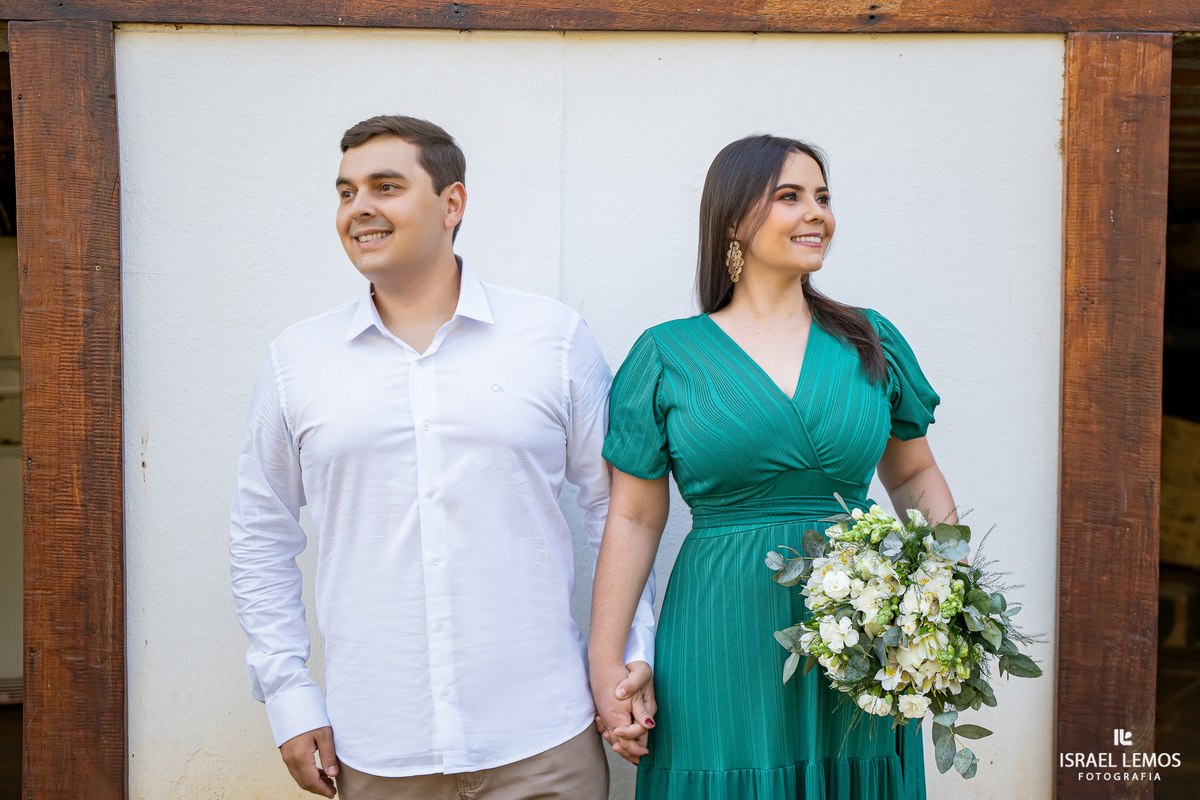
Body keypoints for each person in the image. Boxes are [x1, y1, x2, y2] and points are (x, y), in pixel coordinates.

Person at [229, 114, 656, 799]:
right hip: (377, 749)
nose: (359, 208)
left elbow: (616, 511)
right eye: (345, 192)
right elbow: (260, 534)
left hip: (545, 737)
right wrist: (288, 693)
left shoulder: (552, 339)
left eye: (386, 186)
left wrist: (631, 656)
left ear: (451, 204)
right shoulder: (296, 362)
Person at [588, 134, 954, 798]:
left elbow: (911, 475)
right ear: (734, 220)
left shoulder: (869, 341)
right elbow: (637, 518)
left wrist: (945, 599)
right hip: (722, 625)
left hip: (861, 634)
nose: (816, 213)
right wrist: (605, 662)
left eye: (822, 197)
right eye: (790, 196)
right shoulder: (666, 355)